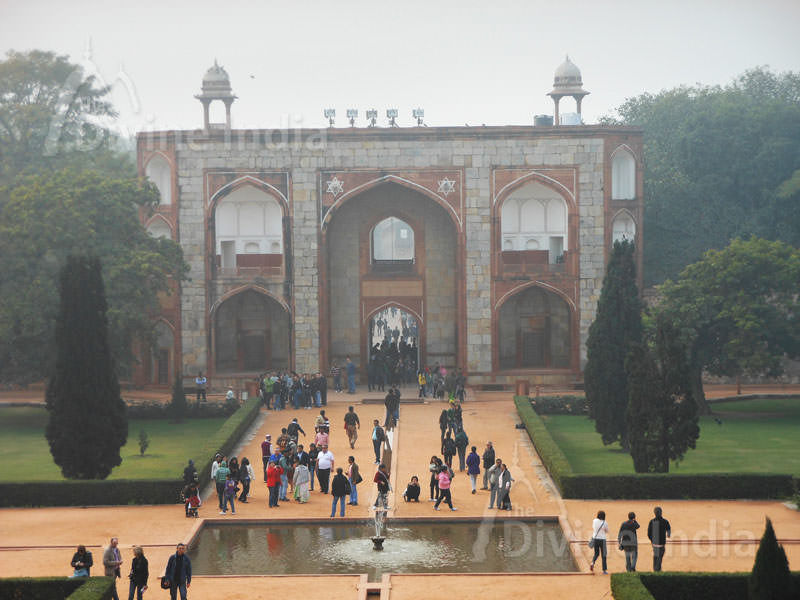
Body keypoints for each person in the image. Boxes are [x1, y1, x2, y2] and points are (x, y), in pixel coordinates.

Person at [647, 506, 671, 572]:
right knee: (659, 557)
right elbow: (668, 529)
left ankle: (656, 570)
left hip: (655, 544)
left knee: (655, 557)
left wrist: (652, 540)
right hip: (662, 544)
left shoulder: (652, 521)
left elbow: (649, 533)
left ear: (654, 513)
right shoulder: (665, 521)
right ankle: (658, 570)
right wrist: (668, 535)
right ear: (661, 513)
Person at [590, 510, 610, 574]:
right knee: (604, 555)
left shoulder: (594, 521)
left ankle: (592, 562)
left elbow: (593, 528)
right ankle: (604, 570)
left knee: (596, 553)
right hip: (602, 539)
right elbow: (607, 531)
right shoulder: (605, 522)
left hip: (595, 539)